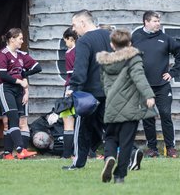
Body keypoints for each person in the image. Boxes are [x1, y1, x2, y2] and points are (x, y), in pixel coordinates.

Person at [96, 28, 156, 184]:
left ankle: (109, 157)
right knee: (126, 143)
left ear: (112, 45)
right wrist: (149, 95)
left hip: (111, 106)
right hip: (130, 109)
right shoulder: (133, 59)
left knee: (109, 137)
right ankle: (119, 176)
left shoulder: (105, 62)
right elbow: (139, 78)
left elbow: (103, 83)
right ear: (129, 43)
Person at [63, 9, 112, 170]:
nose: (74, 29)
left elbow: (80, 68)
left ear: (83, 23)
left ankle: (78, 163)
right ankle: (132, 153)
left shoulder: (84, 41)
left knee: (82, 128)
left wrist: (73, 87)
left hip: (90, 94)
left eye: (74, 25)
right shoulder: (109, 36)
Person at [132, 11, 180, 158]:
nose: (158, 23)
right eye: (155, 21)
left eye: (159, 21)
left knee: (165, 114)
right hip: (144, 87)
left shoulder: (165, 39)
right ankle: (152, 149)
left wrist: (172, 72)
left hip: (162, 86)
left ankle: (170, 148)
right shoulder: (136, 37)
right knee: (148, 117)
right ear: (146, 22)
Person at [0, 28, 42, 160]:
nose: (22, 41)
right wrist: (19, 81)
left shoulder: (22, 55)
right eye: (20, 38)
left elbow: (38, 67)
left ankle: (9, 154)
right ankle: (20, 150)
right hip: (5, 88)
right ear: (12, 39)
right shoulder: (2, 55)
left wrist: (23, 75)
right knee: (12, 118)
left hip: (18, 90)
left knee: (19, 119)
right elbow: (2, 75)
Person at [61, 27, 77, 158]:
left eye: (65, 40)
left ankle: (67, 153)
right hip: (82, 89)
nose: (65, 43)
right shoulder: (82, 50)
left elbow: (73, 74)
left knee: (68, 119)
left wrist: (70, 89)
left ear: (70, 39)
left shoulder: (70, 53)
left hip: (71, 89)